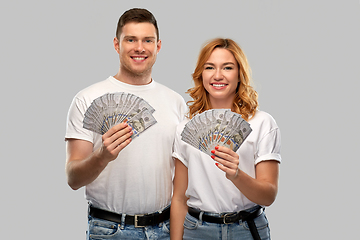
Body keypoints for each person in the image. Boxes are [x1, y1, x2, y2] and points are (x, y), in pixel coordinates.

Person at [65, 8, 186, 240]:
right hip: (111, 230)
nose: (139, 48)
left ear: (158, 46)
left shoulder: (176, 102)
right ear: (116, 44)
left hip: (164, 228)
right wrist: (102, 156)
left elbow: (183, 182)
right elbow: (73, 178)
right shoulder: (87, 99)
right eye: (130, 39)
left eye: (147, 40)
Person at [170, 38, 281, 240]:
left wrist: (237, 175)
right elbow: (179, 198)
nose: (218, 75)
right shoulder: (184, 129)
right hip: (197, 231)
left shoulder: (262, 123)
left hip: (247, 229)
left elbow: (268, 195)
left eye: (227, 67)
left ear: (239, 74)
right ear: (201, 75)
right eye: (210, 67)